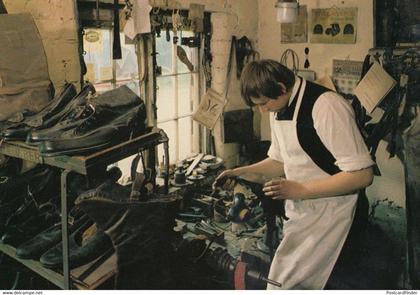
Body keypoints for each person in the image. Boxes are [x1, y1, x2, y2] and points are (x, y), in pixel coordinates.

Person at [215, 59, 374, 289]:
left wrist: (301, 189)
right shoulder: (278, 107)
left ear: (281, 87)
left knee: (322, 284)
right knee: (285, 284)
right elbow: (280, 161)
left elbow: (362, 175)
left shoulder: (326, 106)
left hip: (338, 213)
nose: (263, 109)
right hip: (304, 212)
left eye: (264, 103)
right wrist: (239, 172)